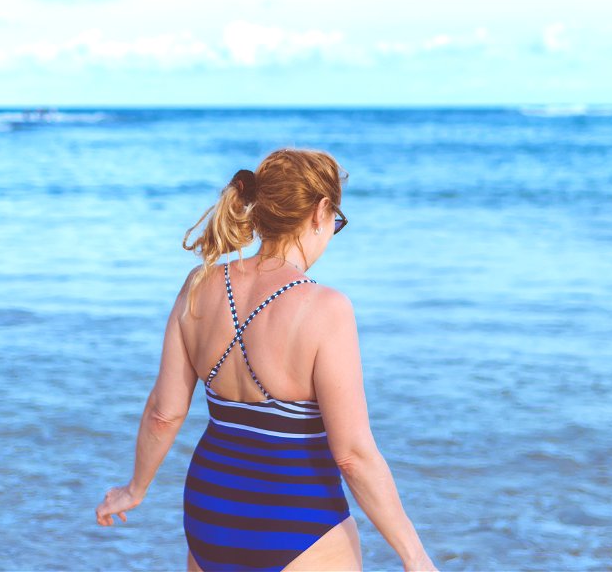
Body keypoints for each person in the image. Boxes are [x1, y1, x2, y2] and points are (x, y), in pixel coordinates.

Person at [96, 147, 438, 571]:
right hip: (299, 523)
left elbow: (163, 414)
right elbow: (352, 454)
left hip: (211, 516)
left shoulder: (199, 286)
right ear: (321, 211)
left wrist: (135, 488)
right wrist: (414, 555)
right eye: (336, 221)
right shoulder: (325, 308)